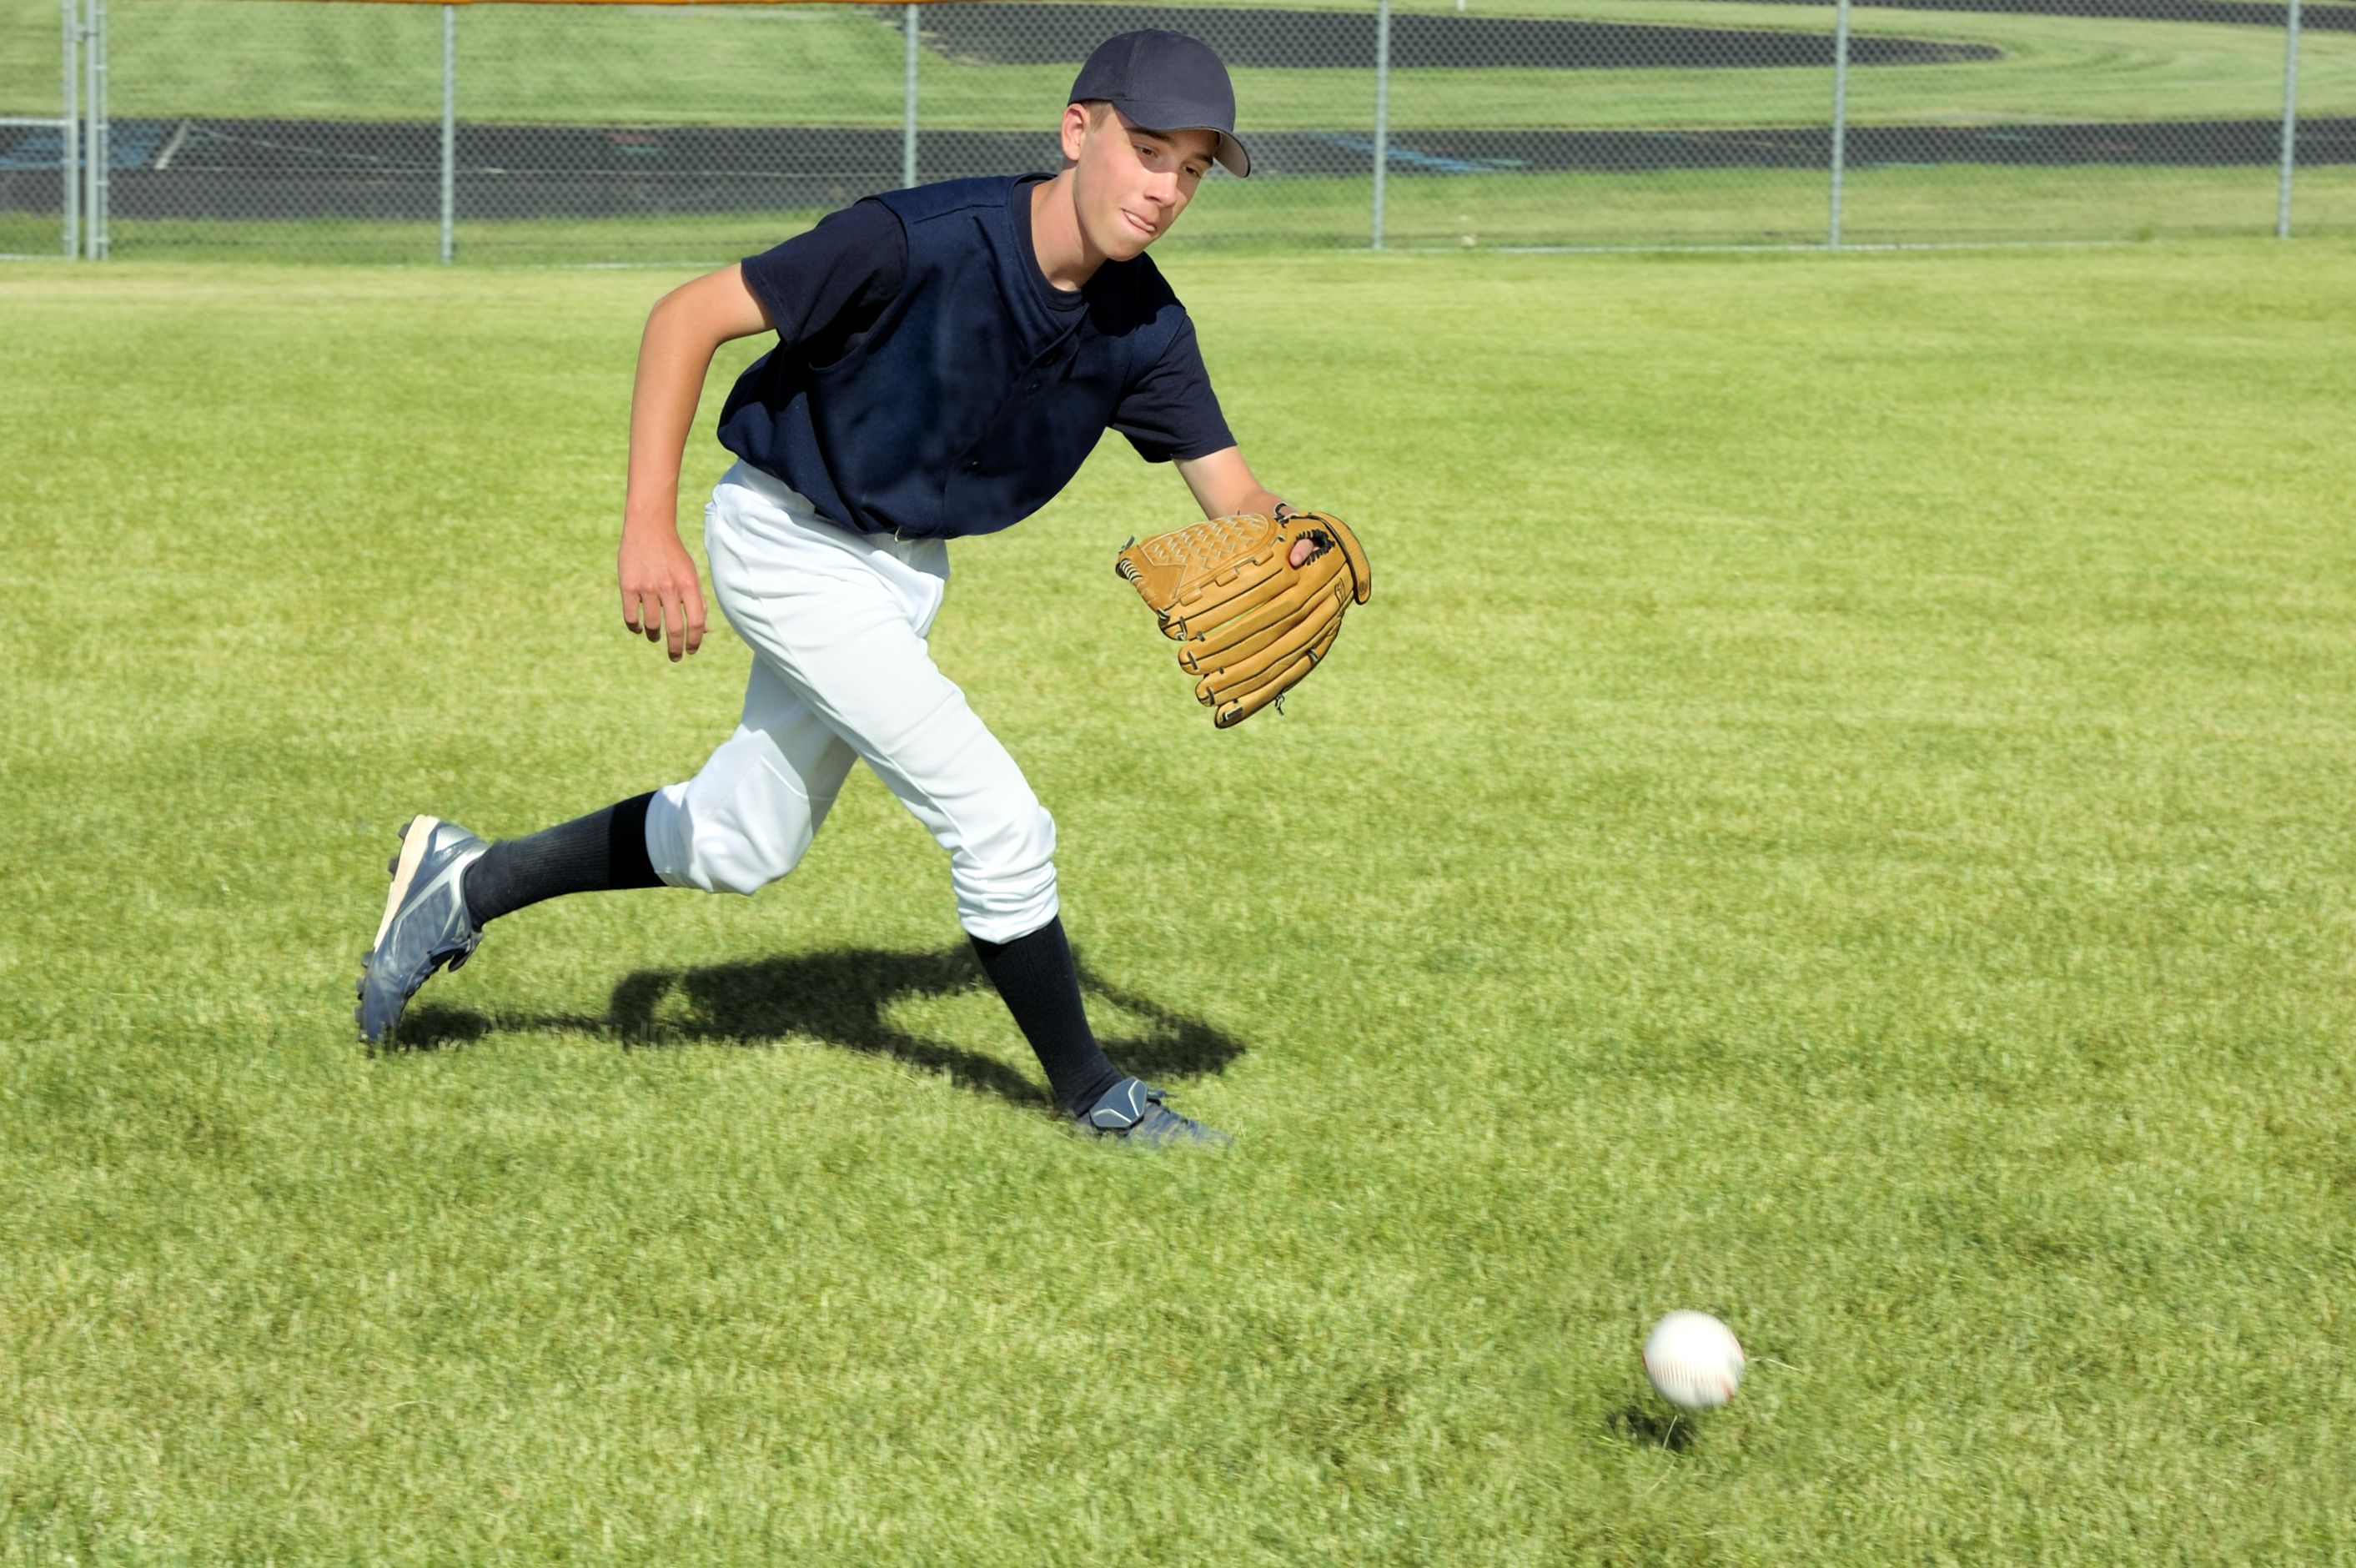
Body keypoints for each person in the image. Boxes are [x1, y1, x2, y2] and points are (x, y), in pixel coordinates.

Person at [357, 30, 1306, 1145]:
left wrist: (1290, 543)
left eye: (1192, 169)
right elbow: (686, 316)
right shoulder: (911, 241)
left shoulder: (1145, 325)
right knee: (997, 820)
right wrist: (645, 527)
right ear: (1076, 129)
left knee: (738, 840)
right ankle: (1093, 1094)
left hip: (904, 575)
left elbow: (1233, 493)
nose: (1166, 187)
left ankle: (463, 881)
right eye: (1148, 149)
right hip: (787, 543)